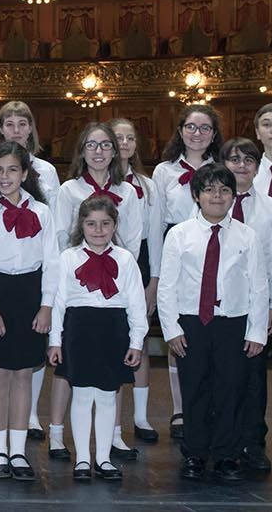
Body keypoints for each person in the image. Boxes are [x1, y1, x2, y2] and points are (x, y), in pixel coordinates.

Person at [157, 163, 266, 483]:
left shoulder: (247, 236)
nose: (217, 196)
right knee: (195, 390)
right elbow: (167, 286)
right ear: (196, 195)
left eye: (224, 190)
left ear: (233, 196)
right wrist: (172, 329)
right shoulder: (179, 235)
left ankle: (225, 454)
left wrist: (257, 330)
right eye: (209, 190)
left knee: (230, 391)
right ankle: (194, 452)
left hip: (233, 322)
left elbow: (259, 285)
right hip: (192, 323)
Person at [47, 122, 141, 462]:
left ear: (115, 151)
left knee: (108, 381)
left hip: (114, 282)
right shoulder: (69, 189)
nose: (98, 151)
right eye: (91, 145)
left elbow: (132, 237)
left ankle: (109, 441)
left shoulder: (128, 191)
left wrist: (115, 267)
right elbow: (61, 234)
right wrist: (78, 267)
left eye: (105, 145)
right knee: (73, 377)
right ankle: (59, 436)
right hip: (77, 283)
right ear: (82, 151)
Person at [0, 141, 59, 481]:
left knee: (23, 376)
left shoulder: (42, 212)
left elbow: (52, 261)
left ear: (25, 174)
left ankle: (19, 453)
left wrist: (47, 305)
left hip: (30, 295)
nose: (5, 177)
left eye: (13, 170)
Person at [48, 197, 147, 483]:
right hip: (79, 330)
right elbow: (58, 303)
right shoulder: (68, 258)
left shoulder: (126, 259)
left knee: (106, 396)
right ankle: (81, 460)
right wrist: (55, 340)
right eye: (91, 224)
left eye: (105, 224)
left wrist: (136, 342)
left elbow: (137, 305)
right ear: (81, 225)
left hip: (113, 329)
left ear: (115, 225)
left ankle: (102, 458)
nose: (98, 230)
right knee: (81, 395)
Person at [152, 104, 223, 440]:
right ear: (180, 131)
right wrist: (155, 273)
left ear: (214, 134)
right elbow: (156, 222)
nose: (197, 134)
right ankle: (181, 408)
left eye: (205, 128)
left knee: (209, 327)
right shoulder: (164, 172)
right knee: (177, 327)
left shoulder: (222, 168)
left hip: (212, 248)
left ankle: (209, 403)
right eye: (191, 127)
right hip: (175, 248)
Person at [0, 101, 59, 437]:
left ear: (31, 129)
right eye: (9, 124)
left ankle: (29, 414)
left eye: (22, 123)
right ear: (0, 129)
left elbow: (54, 226)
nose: (16, 129)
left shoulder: (46, 171)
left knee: (32, 353)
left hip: (34, 272)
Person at [219, 136, 272, 472]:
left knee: (253, 377)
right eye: (234, 159)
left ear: (258, 167)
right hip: (218, 304)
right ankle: (221, 439)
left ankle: (252, 442)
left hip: (255, 304)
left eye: (248, 160)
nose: (241, 166)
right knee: (219, 376)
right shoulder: (210, 201)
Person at [110, 117, 163, 446]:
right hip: (99, 261)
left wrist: (153, 281)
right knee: (112, 341)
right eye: (118, 137)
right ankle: (111, 423)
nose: (124, 143)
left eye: (130, 138)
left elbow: (154, 235)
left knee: (139, 339)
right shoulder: (89, 182)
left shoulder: (147, 184)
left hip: (138, 263)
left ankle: (140, 417)